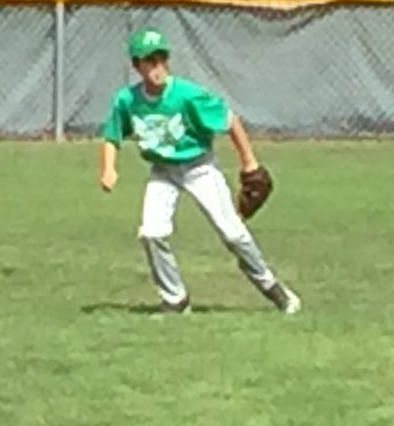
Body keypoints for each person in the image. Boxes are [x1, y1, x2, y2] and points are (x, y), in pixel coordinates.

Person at [98, 29, 302, 316]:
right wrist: (108, 168)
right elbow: (112, 136)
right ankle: (175, 299)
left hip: (198, 166)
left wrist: (250, 163)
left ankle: (272, 288)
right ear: (137, 66)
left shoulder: (187, 95)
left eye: (160, 59)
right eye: (149, 61)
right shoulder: (127, 101)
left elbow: (230, 120)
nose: (156, 66)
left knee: (232, 234)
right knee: (151, 233)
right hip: (162, 170)